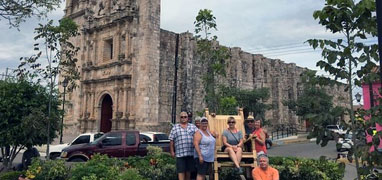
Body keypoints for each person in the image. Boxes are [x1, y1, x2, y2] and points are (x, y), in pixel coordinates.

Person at [169, 111, 198, 180]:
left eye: (185, 117)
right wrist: (172, 151)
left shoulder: (192, 127)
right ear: (179, 118)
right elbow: (171, 140)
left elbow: (199, 135)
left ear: (188, 118)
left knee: (188, 172)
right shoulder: (175, 128)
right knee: (181, 171)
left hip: (190, 153)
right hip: (180, 154)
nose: (183, 118)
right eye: (182, 117)